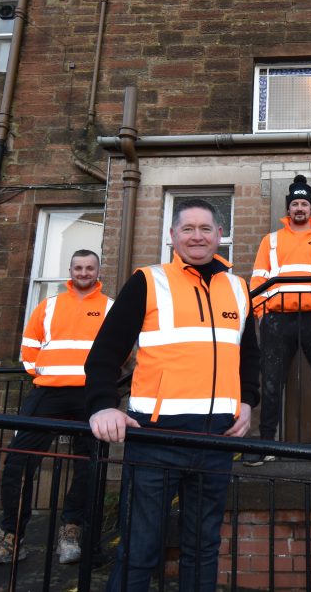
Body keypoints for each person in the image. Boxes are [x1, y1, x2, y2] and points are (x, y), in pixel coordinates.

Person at [84, 199, 260, 592]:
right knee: (139, 549)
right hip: (155, 438)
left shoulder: (238, 288)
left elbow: (248, 355)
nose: (197, 236)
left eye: (205, 228)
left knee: (203, 549)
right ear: (172, 236)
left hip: (216, 439)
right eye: (187, 228)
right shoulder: (148, 281)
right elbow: (106, 353)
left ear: (219, 235)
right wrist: (100, 406)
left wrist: (248, 400)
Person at [0, 249, 112, 570]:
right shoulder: (50, 305)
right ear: (70, 270)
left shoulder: (110, 307)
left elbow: (119, 351)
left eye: (89, 268)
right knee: (18, 462)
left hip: (89, 396)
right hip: (48, 393)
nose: (84, 273)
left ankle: (71, 531)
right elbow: (29, 348)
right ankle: (10, 539)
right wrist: (43, 373)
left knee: (89, 466)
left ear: (98, 271)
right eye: (78, 267)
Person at [244, 175, 311, 466]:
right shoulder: (271, 240)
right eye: (295, 204)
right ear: (288, 209)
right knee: (272, 384)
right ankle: (267, 444)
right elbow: (259, 279)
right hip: (277, 320)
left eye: (304, 203)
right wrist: (262, 314)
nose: (299, 208)